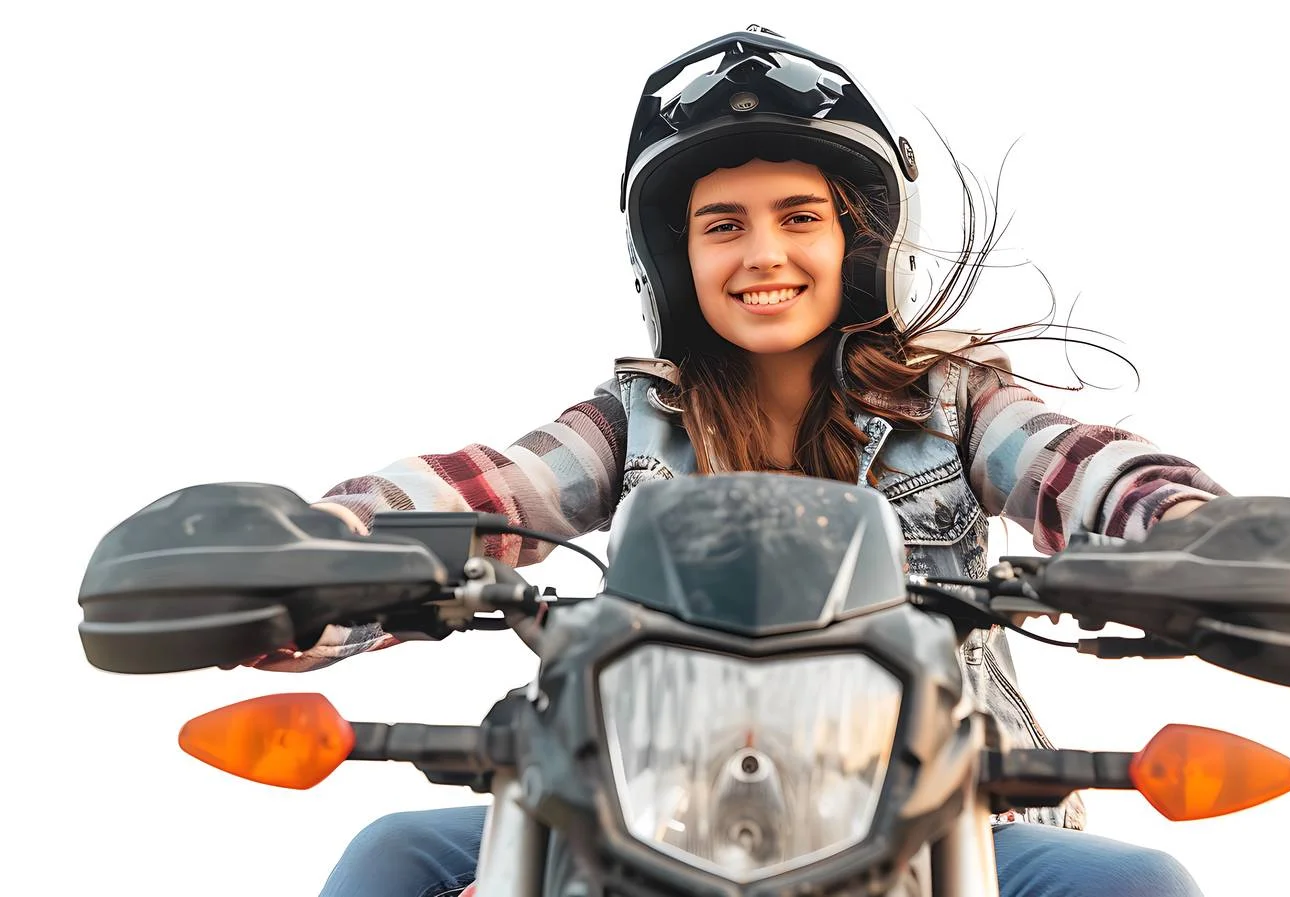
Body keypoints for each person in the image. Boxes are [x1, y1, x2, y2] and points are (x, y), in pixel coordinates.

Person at [256, 26, 1223, 897]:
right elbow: (494, 489)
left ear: (860, 240)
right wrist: (320, 547)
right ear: (677, 260)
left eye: (800, 216)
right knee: (394, 854)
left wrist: (1189, 527)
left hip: (939, 810)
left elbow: (1072, 464)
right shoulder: (633, 422)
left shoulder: (955, 404)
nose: (764, 251)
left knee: (1140, 883)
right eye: (724, 224)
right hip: (648, 806)